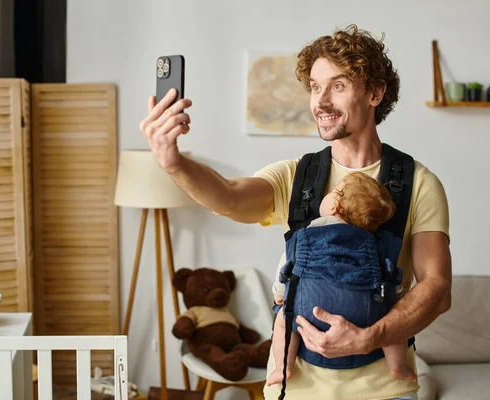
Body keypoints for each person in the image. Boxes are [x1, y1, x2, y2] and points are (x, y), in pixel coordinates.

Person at [139, 24, 451, 400]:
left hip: (385, 389)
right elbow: (229, 197)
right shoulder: (296, 176)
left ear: (375, 92)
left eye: (337, 85)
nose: (320, 101)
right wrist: (173, 162)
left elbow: (437, 288)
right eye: (315, 87)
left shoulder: (417, 182)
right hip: (295, 390)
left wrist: (369, 337)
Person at [267, 172, 416, 387]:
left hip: (309, 310)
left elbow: (288, 265)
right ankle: (397, 366)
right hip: (365, 313)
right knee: (391, 323)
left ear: (335, 207)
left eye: (334, 191)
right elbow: (390, 274)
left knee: (284, 321)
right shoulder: (375, 243)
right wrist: (397, 296)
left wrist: (280, 294)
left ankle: (283, 367)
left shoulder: (307, 233)